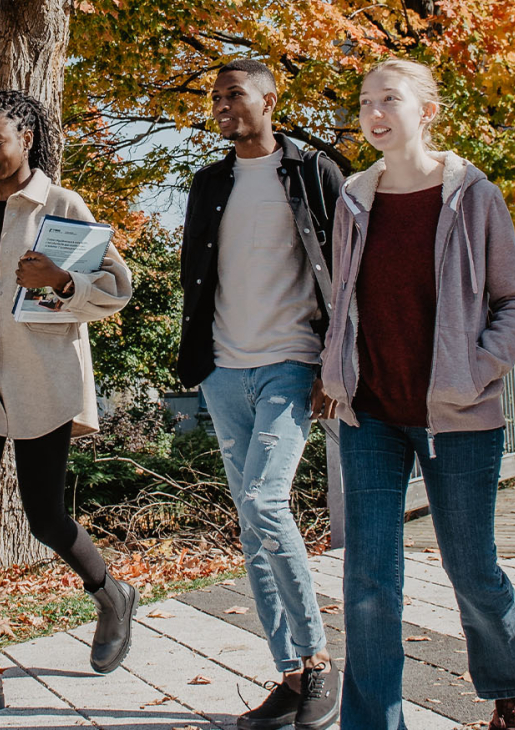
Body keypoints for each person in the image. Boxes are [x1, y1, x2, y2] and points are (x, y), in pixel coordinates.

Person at [318, 59, 515, 730]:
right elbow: (343, 301)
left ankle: (514, 678)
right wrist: (335, 371)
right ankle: (372, 722)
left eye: (390, 97)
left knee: (472, 569)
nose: (374, 111)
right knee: (367, 582)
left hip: (460, 418)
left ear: (428, 112)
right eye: (365, 101)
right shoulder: (354, 198)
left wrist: (475, 371)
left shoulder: (474, 195)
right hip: (372, 417)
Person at [0, 89, 137, 722]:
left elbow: (116, 290)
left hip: (42, 377)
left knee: (44, 516)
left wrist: (62, 280)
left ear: (28, 140)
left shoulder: (60, 206)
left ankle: (112, 594)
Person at [173, 58, 343, 730]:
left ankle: (320, 662)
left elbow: (343, 273)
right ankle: (292, 675)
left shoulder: (313, 173)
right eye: (215, 96)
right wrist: (201, 361)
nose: (221, 104)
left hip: (291, 364)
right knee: (251, 521)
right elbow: (196, 274)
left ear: (270, 100)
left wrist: (335, 363)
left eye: (234, 93)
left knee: (266, 500)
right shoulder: (208, 182)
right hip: (223, 371)